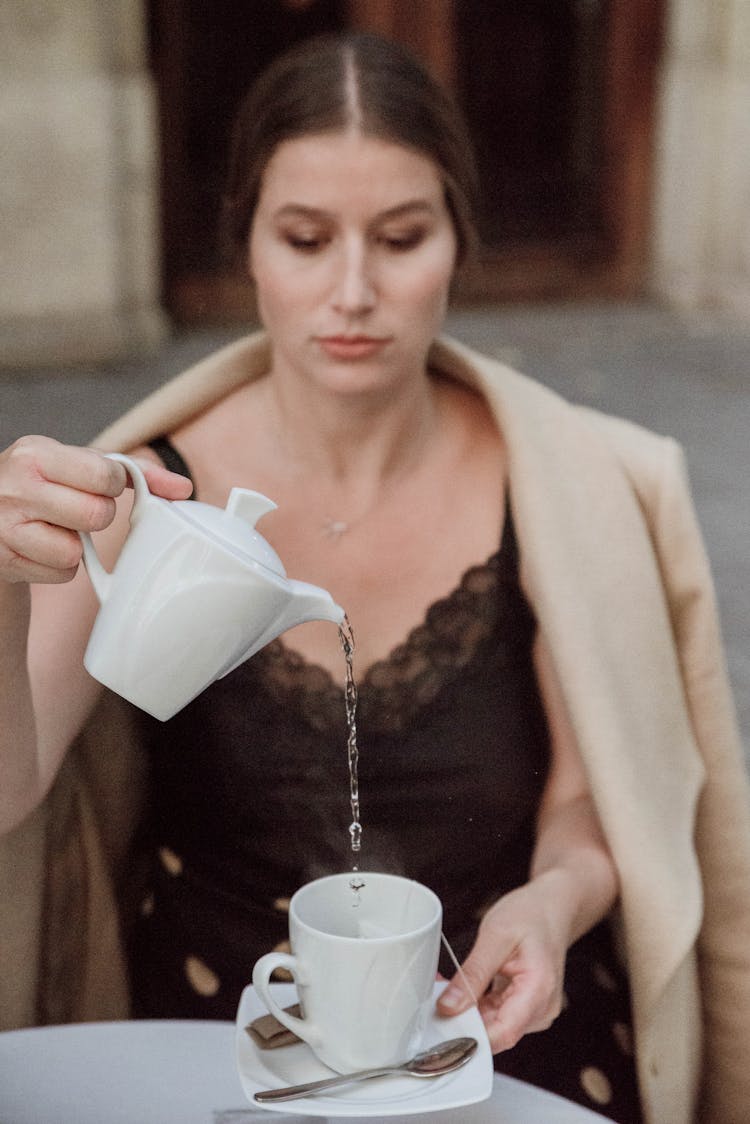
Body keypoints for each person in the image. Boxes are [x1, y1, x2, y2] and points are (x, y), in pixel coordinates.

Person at [0, 30, 748, 1124]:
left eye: (400, 237)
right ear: (246, 244)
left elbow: (593, 796)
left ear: (459, 241)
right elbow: (9, 793)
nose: (352, 290)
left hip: (493, 1029)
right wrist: (3, 582)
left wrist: (553, 902)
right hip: (212, 1035)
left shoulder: (564, 488)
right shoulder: (148, 495)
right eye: (305, 238)